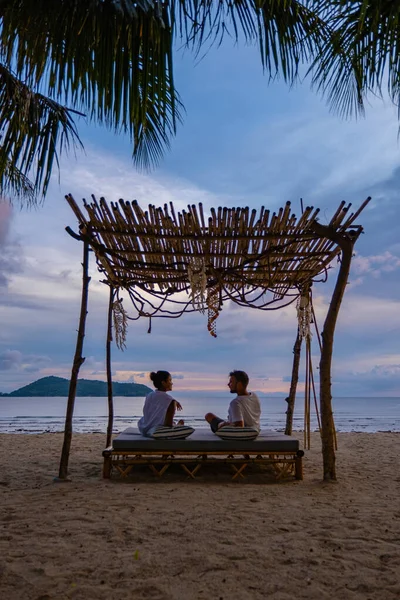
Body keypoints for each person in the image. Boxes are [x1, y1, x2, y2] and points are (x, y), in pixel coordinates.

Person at [138, 370, 184, 437]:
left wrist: (175, 402)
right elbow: (169, 425)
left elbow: (159, 399)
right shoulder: (170, 401)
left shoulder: (149, 395)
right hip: (156, 431)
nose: (172, 383)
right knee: (181, 422)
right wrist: (178, 425)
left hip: (144, 428)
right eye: (169, 380)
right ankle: (179, 425)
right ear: (163, 383)